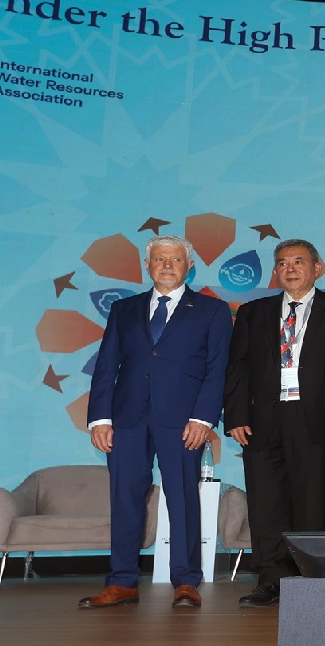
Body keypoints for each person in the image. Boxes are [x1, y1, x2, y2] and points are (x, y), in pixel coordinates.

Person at [82, 235, 232, 609]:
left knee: (182, 498)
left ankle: (186, 581)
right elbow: (106, 366)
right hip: (126, 418)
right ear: (147, 265)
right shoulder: (124, 309)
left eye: (176, 259)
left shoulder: (213, 310)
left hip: (184, 420)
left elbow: (218, 369)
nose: (167, 265)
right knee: (124, 497)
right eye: (160, 259)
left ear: (189, 267)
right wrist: (99, 418)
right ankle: (122, 582)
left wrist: (203, 418)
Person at [224, 239, 325, 607]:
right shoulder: (253, 312)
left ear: (316, 268)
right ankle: (271, 579)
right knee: (265, 503)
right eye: (283, 263)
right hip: (262, 420)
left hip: (318, 419)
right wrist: (236, 416)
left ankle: (310, 579)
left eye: (299, 261)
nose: (290, 269)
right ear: (275, 271)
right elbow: (237, 366)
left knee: (312, 500)